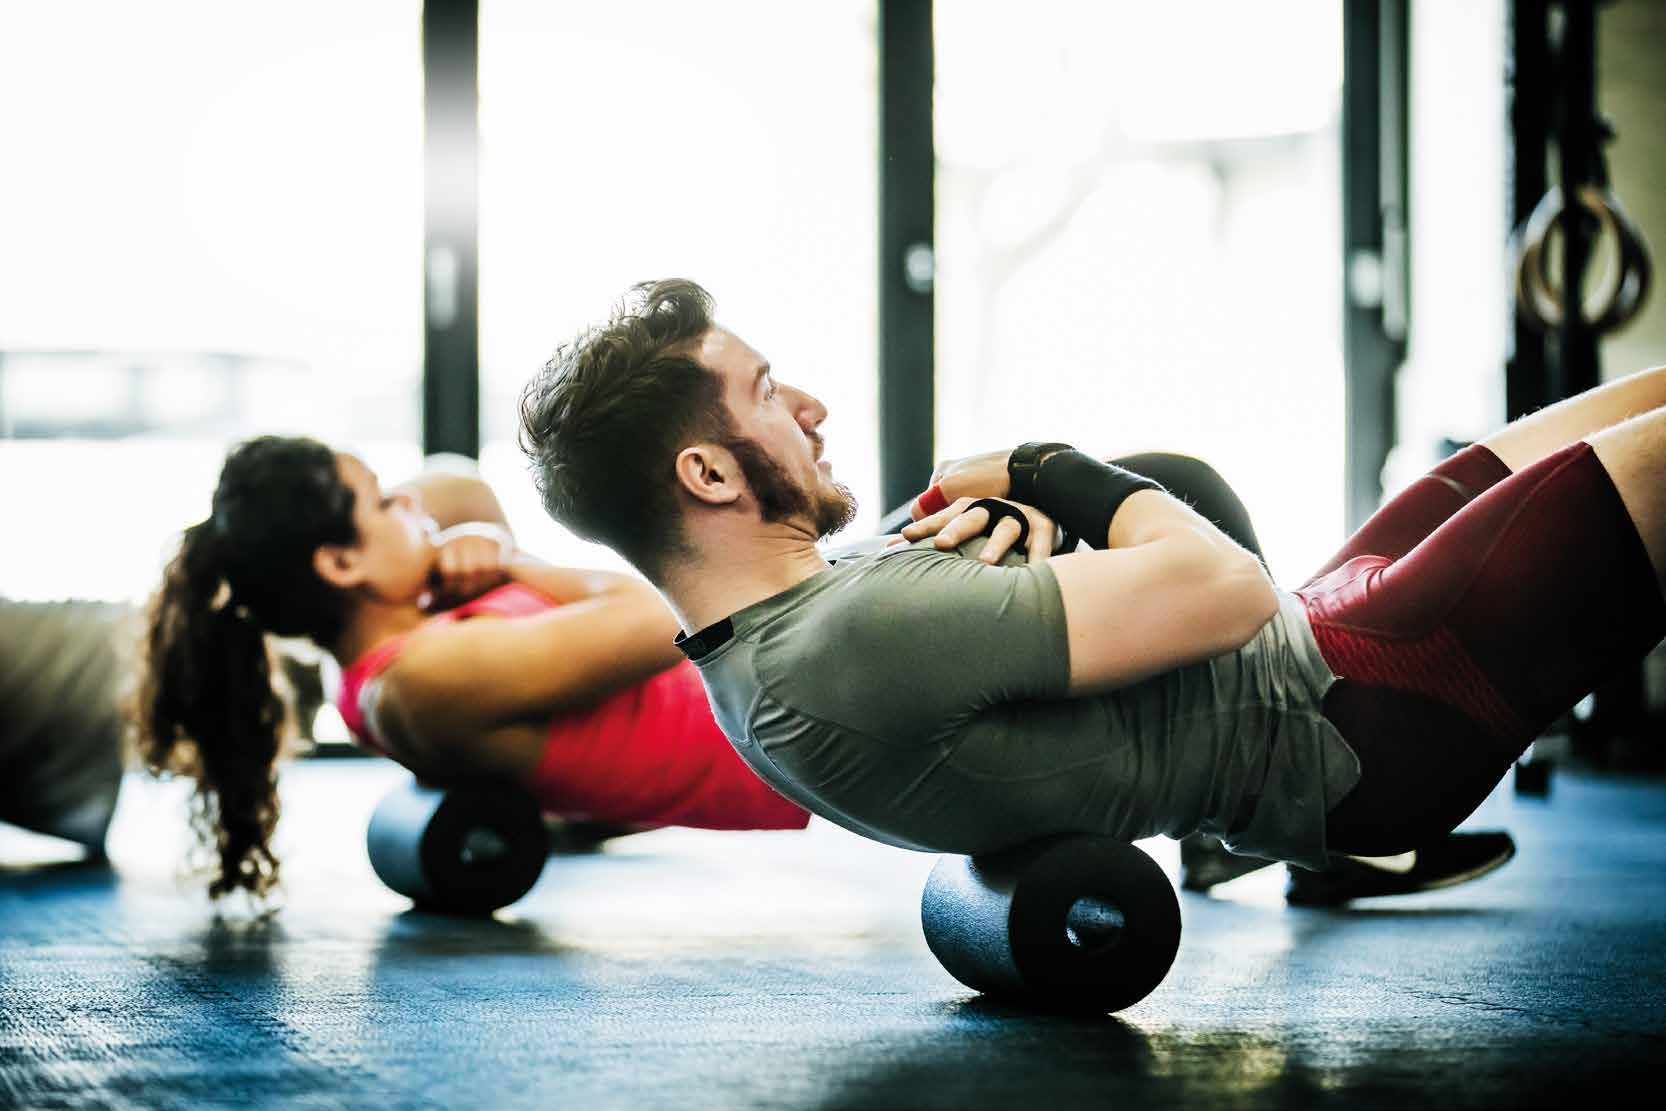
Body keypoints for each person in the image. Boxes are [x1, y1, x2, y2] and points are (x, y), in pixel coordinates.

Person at [517, 278, 1665, 883]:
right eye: (769, 392)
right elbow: (1228, 594)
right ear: (707, 471)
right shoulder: (838, 642)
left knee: (1601, 424)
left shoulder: (786, 639)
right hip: (1355, 712)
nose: (810, 406)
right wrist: (1045, 468)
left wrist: (1038, 524)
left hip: (1320, 674)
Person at [131, 436, 809, 900]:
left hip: (781, 666)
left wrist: (461, 551)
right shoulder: (425, 680)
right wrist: (516, 564)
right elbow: (677, 613)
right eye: (383, 501)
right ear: (341, 564)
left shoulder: (406, 630)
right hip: (802, 714)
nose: (414, 505)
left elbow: (459, 484)